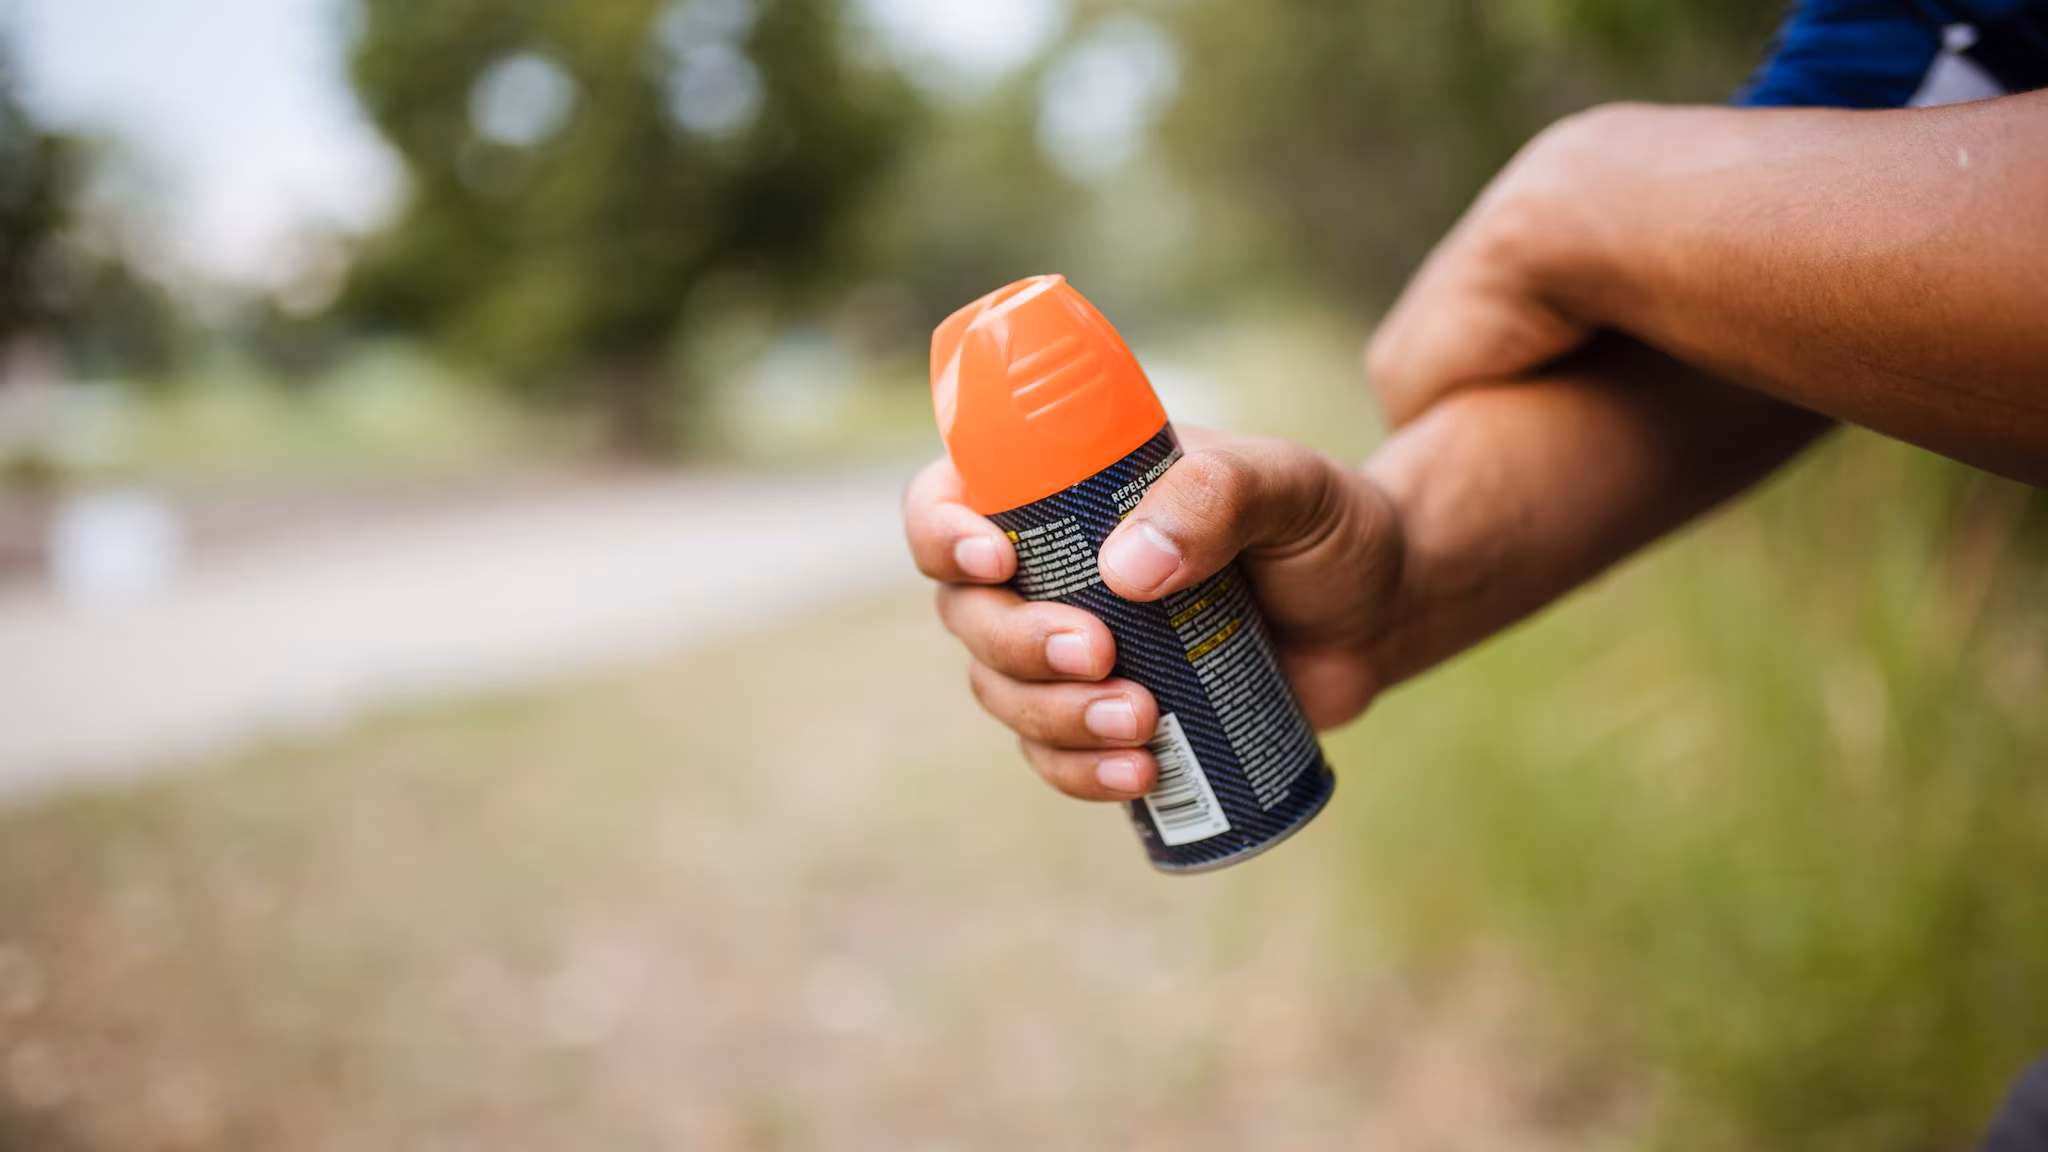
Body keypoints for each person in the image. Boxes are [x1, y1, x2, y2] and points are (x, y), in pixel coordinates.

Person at [903, 1, 2047, 1145]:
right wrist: (1399, 562)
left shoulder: (1599, 202)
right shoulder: (1937, 31)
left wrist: (1596, 200)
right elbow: (1801, 303)